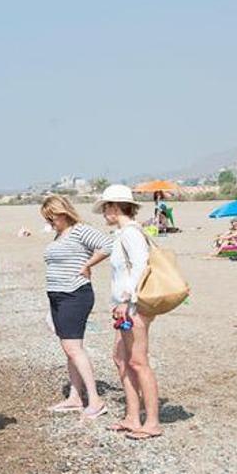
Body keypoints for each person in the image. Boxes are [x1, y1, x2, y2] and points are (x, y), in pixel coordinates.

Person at [95, 185, 162, 440]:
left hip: (134, 306)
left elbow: (140, 268)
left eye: (105, 207)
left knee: (138, 361)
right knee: (121, 358)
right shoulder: (123, 233)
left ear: (114, 207)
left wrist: (125, 300)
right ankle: (133, 416)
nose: (103, 213)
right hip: (126, 306)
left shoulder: (131, 233)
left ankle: (152, 422)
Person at [40, 195, 111, 418]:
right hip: (58, 296)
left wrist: (88, 265)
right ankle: (75, 397)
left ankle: (95, 400)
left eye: (51, 218)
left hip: (75, 294)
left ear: (62, 213)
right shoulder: (60, 234)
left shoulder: (80, 230)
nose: (50, 223)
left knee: (74, 348)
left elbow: (107, 245)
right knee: (68, 348)